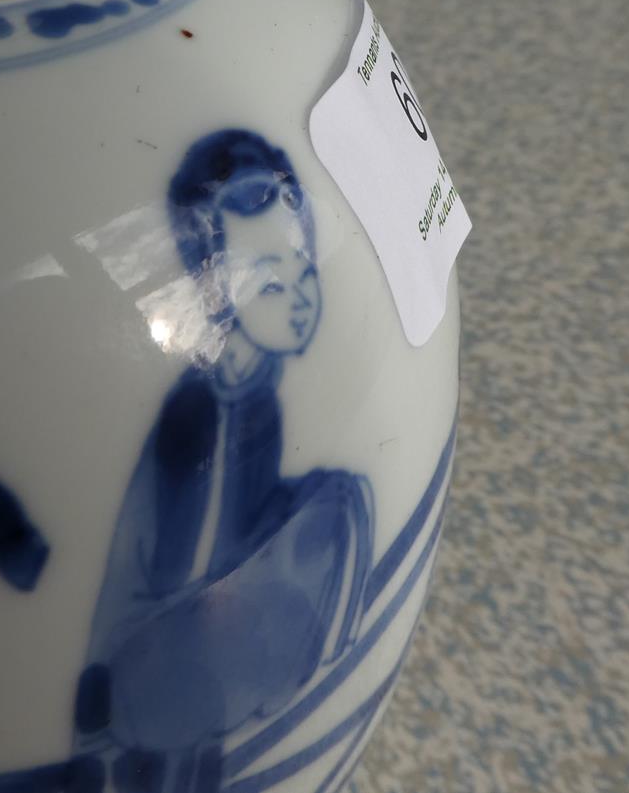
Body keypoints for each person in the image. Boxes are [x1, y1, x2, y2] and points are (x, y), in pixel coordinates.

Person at [73, 130, 373, 793]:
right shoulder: (199, 411)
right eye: (268, 282)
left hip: (198, 652)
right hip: (144, 671)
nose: (299, 297)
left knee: (336, 500)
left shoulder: (255, 389)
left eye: (303, 268)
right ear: (216, 297)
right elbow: (182, 578)